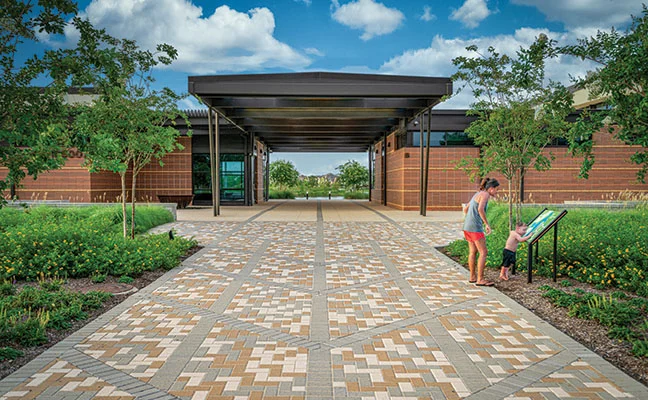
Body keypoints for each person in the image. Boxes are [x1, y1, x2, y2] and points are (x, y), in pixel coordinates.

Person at [462, 177, 500, 286]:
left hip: (467, 226)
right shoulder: (485, 195)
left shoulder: (477, 194)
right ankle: (480, 279)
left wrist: (471, 218)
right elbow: (480, 209)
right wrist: (486, 224)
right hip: (475, 228)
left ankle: (472, 277)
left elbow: (466, 209)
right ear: (491, 188)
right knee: (483, 252)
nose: (497, 192)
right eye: (496, 189)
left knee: (472, 252)